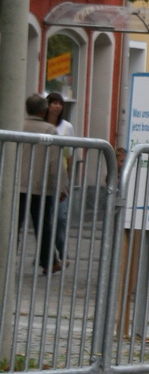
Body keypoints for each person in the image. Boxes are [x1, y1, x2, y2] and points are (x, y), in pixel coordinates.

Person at [19, 94, 62, 273]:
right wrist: (60, 185)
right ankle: (49, 261)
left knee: (12, 224)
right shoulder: (49, 130)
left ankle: (5, 257)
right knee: (43, 225)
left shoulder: (16, 125)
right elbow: (55, 161)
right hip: (40, 185)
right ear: (43, 111)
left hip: (15, 183)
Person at [44, 90, 74, 264]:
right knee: (45, 217)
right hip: (41, 175)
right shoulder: (42, 125)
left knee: (60, 217)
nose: (57, 106)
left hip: (60, 175)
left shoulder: (66, 127)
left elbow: (69, 154)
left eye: (60, 103)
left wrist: (67, 178)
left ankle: (61, 250)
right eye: (54, 102)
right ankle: (47, 253)